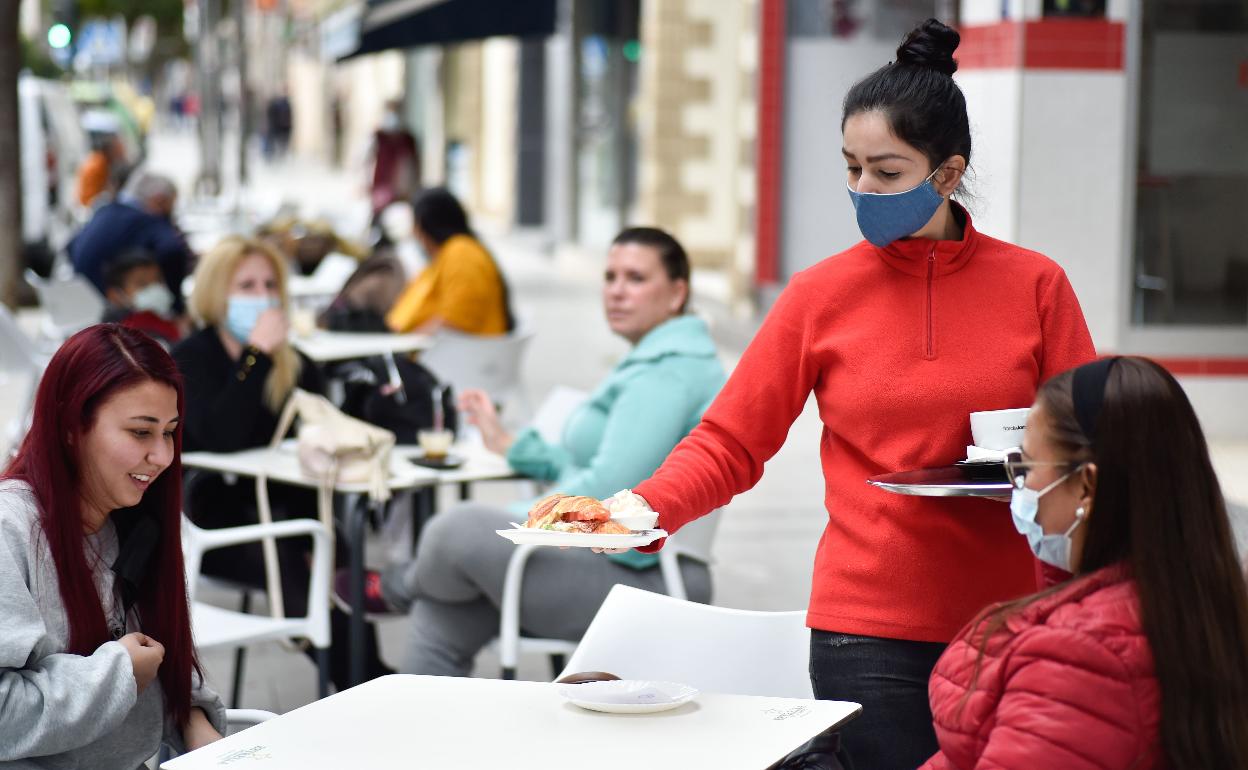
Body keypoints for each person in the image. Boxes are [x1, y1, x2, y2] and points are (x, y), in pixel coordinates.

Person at [608, 19, 1097, 769]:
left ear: (946, 172)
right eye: (851, 167)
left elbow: (1093, 438)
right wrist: (646, 507)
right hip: (866, 631)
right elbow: (733, 440)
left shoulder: (1036, 286)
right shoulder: (820, 295)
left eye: (886, 171)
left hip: (1015, 618)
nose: (862, 189)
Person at [342, 227, 725, 677]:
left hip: (643, 579)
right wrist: (513, 446)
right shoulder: (655, 361)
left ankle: (396, 586)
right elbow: (588, 466)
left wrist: (518, 518)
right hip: (611, 560)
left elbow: (606, 490)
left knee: (456, 531)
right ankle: (417, 736)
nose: (617, 291)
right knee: (439, 618)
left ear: (677, 292)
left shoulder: (667, 373)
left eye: (635, 278)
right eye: (610, 277)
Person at [919, 356, 1248, 769]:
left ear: (1087, 485)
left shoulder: (1079, 656)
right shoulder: (1202, 601)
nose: (1018, 487)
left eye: (1027, 466)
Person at [0, 324, 225, 767]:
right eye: (141, 433)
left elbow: (156, 657)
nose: (163, 456)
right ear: (70, 427)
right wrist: (115, 674)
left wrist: (191, 719)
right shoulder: (11, 529)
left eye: (170, 432)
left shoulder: (134, 518)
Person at [170, 235, 390, 689]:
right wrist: (256, 355)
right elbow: (222, 435)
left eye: (270, 285)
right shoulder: (192, 357)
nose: (263, 296)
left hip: (290, 505)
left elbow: (308, 444)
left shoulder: (295, 364)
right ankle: (366, 685)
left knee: (339, 552)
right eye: (246, 286)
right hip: (216, 520)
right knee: (290, 557)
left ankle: (369, 677)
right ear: (217, 292)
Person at [385, 187, 514, 336]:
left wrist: (409, 342)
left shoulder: (462, 254)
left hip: (453, 354)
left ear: (423, 226)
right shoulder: (454, 252)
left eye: (414, 225)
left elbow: (456, 320)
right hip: (442, 352)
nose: (413, 233)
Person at [69, 173, 193, 315]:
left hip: (80, 302)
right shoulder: (148, 219)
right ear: (160, 200)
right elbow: (172, 251)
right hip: (113, 307)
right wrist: (176, 304)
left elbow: (71, 246)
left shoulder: (104, 211)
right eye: (171, 205)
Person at [100, 248, 183, 348]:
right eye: (142, 284)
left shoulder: (164, 318)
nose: (155, 288)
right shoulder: (123, 337)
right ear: (115, 295)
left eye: (158, 280)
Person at [368, 100, 420, 218]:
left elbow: (414, 165)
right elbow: (367, 161)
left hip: (403, 190)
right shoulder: (379, 137)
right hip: (381, 188)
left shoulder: (408, 139)